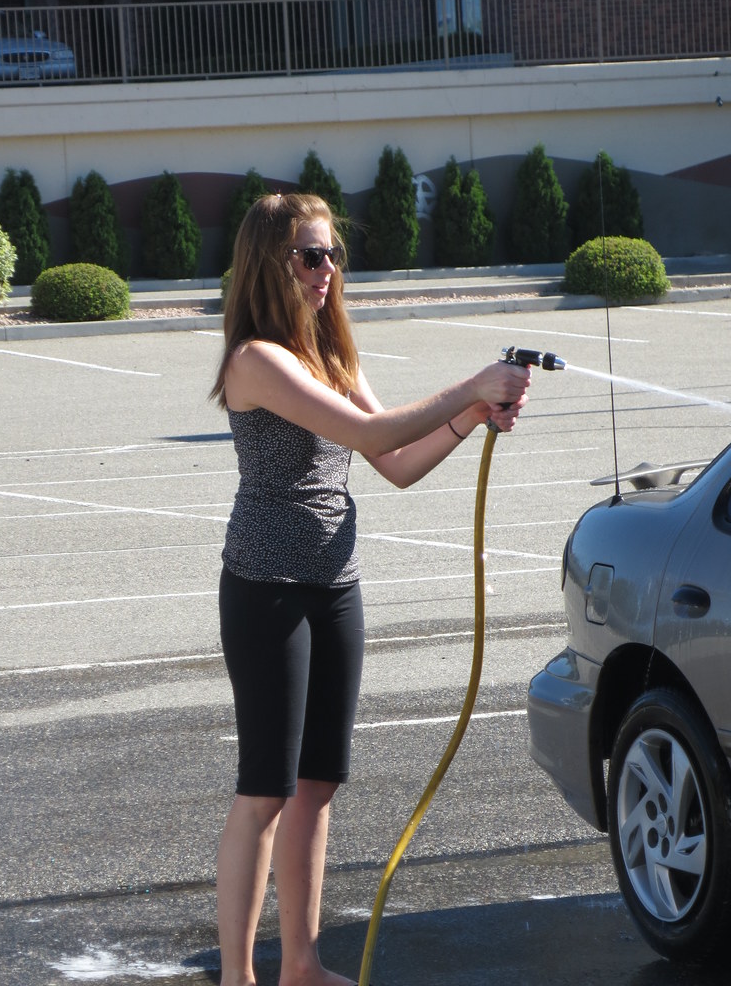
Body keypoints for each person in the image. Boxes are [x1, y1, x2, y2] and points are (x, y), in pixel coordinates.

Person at [210, 193, 530, 986]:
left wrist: (472, 418)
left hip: (334, 583)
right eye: (310, 257)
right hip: (267, 589)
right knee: (266, 791)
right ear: (269, 263)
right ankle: (240, 977)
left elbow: (397, 463)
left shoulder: (330, 354)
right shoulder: (258, 359)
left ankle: (303, 967)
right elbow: (369, 435)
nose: (327, 272)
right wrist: (469, 386)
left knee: (317, 786)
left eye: (332, 257)